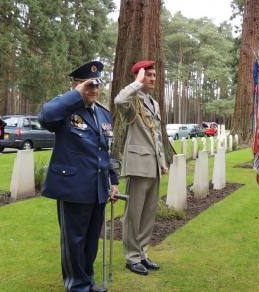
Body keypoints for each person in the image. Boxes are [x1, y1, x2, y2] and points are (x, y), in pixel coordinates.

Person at [39, 61, 119, 292]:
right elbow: (45, 117)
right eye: (88, 85)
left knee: (92, 240)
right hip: (73, 187)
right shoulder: (65, 110)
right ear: (76, 85)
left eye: (97, 85)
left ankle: (87, 280)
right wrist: (75, 96)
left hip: (97, 188)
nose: (94, 90)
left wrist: (112, 181)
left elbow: (104, 151)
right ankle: (76, 286)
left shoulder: (103, 114)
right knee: (74, 241)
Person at [114, 60, 168, 275]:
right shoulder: (131, 101)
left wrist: (162, 161)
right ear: (138, 77)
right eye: (148, 75)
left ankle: (143, 253)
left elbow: (156, 136)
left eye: (154, 75)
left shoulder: (153, 103)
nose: (153, 78)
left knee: (148, 213)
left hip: (153, 164)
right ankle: (131, 257)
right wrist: (136, 83)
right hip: (138, 165)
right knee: (133, 214)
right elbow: (118, 100)